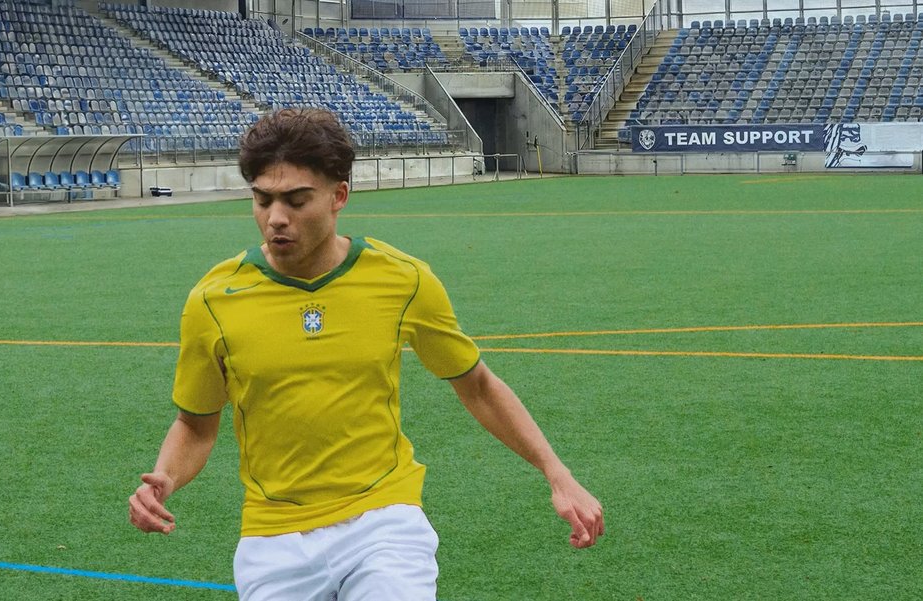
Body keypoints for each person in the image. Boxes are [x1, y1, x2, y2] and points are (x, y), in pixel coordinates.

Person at [128, 108, 604, 599]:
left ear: (339, 196)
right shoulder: (213, 299)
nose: (275, 218)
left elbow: (478, 386)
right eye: (263, 199)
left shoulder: (403, 279)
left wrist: (557, 473)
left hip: (384, 519)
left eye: (296, 200)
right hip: (273, 536)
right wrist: (164, 477)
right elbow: (195, 424)